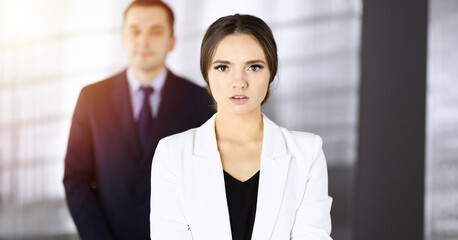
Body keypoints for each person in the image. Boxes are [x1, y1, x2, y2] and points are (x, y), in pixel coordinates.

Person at [150, 13, 333, 240]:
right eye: (223, 67)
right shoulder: (172, 154)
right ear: (206, 74)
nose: (239, 82)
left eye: (254, 67)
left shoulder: (307, 152)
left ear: (271, 73)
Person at [63, 1, 214, 239]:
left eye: (155, 32)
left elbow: (208, 181)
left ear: (172, 41)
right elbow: (76, 178)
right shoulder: (91, 99)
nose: (143, 41)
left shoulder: (201, 101)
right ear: (122, 38)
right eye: (135, 31)